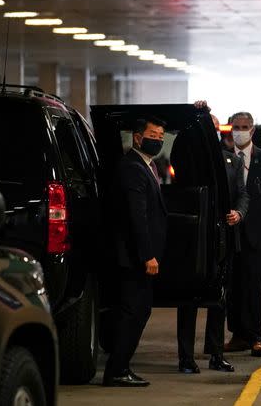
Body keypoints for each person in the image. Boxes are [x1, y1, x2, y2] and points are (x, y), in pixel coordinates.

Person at [175, 111, 249, 374]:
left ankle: (216, 354)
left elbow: (243, 194)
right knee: (189, 299)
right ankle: (185, 358)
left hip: (222, 239)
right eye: (206, 127)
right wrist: (198, 113)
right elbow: (180, 153)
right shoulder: (189, 158)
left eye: (214, 127)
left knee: (219, 299)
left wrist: (239, 213)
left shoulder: (231, 160)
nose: (211, 131)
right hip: (193, 240)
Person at [103, 117, 168, 387]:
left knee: (138, 310)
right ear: (138, 137)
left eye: (162, 136)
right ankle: (117, 369)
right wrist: (147, 255)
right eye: (153, 134)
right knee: (133, 311)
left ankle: (120, 367)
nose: (159, 139)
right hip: (133, 257)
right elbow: (136, 217)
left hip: (137, 256)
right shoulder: (132, 168)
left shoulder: (146, 166)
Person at [224, 111, 261, 357]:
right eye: (236, 126)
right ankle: (238, 335)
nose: (240, 130)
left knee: (254, 286)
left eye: (244, 126)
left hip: (257, 234)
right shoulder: (223, 158)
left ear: (252, 130)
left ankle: (257, 337)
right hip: (230, 233)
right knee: (232, 286)